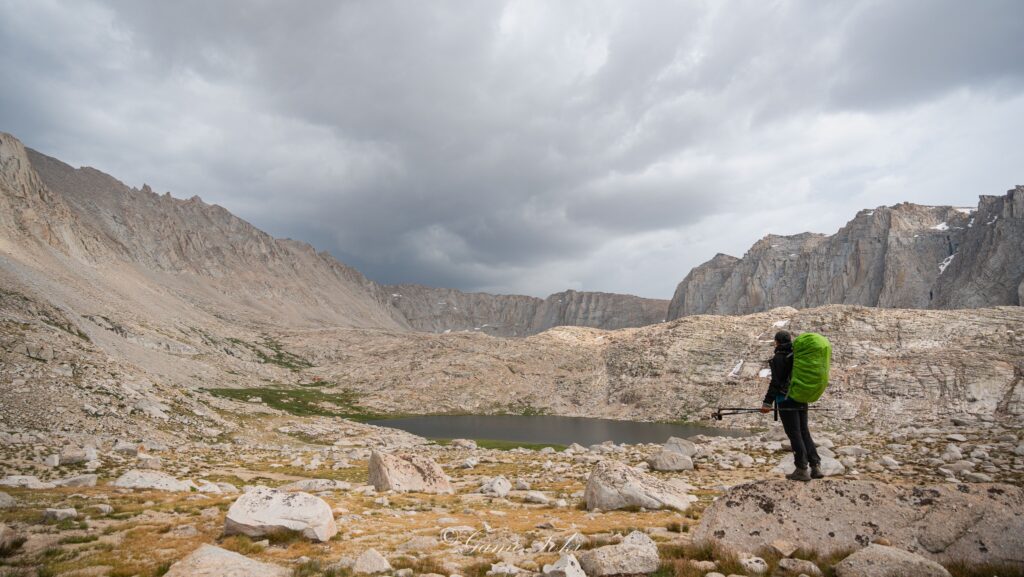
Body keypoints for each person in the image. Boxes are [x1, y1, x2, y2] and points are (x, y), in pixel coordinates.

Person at [760, 330, 822, 481]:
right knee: (804, 431)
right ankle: (815, 466)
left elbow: (776, 383)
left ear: (777, 342)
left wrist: (767, 402)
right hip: (801, 397)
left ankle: (801, 469)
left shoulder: (779, 357)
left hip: (785, 400)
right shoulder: (797, 356)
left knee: (794, 433)